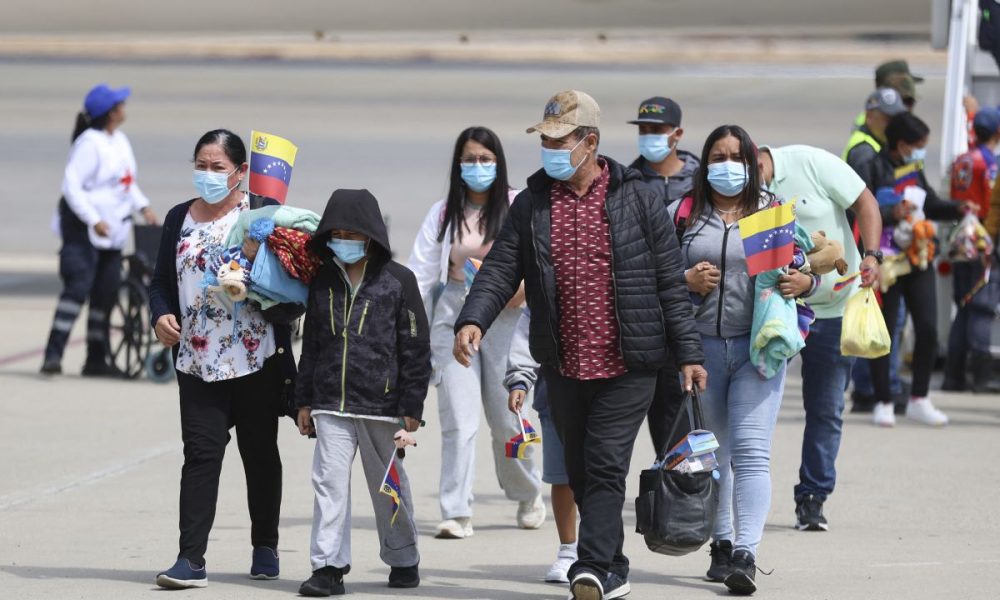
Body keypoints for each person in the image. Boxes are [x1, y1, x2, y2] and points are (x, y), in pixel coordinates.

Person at [452, 90, 707, 600]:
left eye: (558, 139)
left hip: (630, 360)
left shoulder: (637, 198)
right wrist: (473, 319)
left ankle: (590, 568)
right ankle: (612, 562)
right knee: (582, 469)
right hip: (564, 362)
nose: (548, 148)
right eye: (544, 139)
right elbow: (502, 268)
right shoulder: (531, 203)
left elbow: (667, 282)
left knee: (608, 461)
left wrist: (689, 353)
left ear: (589, 142)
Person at [148, 129, 298, 589]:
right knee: (200, 456)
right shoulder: (178, 218)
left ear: (241, 171)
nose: (208, 175)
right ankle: (190, 559)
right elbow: (158, 283)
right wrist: (160, 316)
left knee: (259, 454)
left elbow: (294, 291)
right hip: (196, 363)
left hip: (255, 361)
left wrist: (255, 281)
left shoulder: (263, 216)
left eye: (218, 167)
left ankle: (265, 545)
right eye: (201, 165)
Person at [670, 124, 811, 596]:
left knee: (752, 454)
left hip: (758, 350)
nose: (727, 165)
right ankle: (722, 544)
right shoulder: (684, 215)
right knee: (716, 456)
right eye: (718, 156)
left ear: (752, 164)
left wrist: (804, 283)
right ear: (704, 162)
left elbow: (812, 265)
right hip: (700, 352)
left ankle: (747, 554)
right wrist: (685, 279)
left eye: (737, 156)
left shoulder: (773, 212)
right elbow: (652, 274)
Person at [407, 126, 544, 539]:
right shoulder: (443, 212)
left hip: (507, 318)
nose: (478, 167)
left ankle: (527, 492)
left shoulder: (519, 204)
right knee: (459, 420)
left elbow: (541, 259)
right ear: (458, 165)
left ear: (499, 163)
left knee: (507, 419)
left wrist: (523, 291)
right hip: (454, 315)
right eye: (470, 159)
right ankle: (456, 511)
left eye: (486, 159)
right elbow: (419, 272)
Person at [294, 188, 431, 596]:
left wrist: (411, 407)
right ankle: (328, 567)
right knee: (329, 484)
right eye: (335, 233)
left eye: (351, 234)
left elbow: (416, 346)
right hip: (330, 404)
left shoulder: (399, 281)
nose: (343, 241)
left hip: (382, 406)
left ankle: (403, 557)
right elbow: (313, 344)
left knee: (388, 486)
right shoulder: (322, 280)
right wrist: (303, 400)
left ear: (370, 235)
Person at [756, 143, 882, 532]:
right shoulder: (741, 193)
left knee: (825, 408)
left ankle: (812, 496)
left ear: (758, 158)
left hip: (831, 309)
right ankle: (736, 494)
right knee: (751, 408)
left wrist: (873, 254)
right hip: (774, 313)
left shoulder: (810, 162)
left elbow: (866, 202)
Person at [41, 83, 158, 376]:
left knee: (105, 294)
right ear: (109, 112)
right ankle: (52, 356)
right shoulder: (89, 143)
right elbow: (72, 188)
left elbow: (126, 183)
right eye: (119, 104)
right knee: (77, 289)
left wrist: (143, 206)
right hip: (83, 232)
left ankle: (96, 359)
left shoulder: (119, 141)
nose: (124, 108)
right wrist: (93, 219)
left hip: (114, 231)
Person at [862, 112, 966, 426]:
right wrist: (891, 212)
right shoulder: (873, 166)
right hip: (888, 261)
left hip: (918, 256)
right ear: (902, 143)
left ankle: (919, 397)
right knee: (886, 331)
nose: (921, 151)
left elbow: (930, 202)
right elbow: (861, 210)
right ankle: (883, 400)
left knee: (929, 328)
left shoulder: (914, 168)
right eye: (918, 146)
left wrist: (957, 208)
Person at [626, 96, 697, 455]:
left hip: (700, 313)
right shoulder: (627, 182)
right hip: (650, 317)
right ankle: (671, 493)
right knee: (663, 415)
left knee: (699, 415)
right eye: (643, 130)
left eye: (657, 130)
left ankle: (702, 496)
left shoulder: (703, 179)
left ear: (677, 134)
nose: (649, 137)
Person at [843, 88, 909, 414]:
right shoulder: (865, 153)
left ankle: (873, 387)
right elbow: (861, 205)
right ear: (871, 116)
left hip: (867, 245)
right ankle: (871, 389)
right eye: (886, 118)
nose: (890, 124)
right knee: (874, 319)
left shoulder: (873, 145)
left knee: (877, 318)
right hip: (864, 246)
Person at [505, 309, 578, 584]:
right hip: (556, 393)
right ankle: (569, 550)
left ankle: (601, 552)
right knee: (562, 478)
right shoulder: (549, 275)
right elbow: (528, 327)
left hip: (608, 392)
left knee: (603, 478)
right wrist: (520, 379)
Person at [945, 108, 1000, 393]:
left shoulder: (962, 159)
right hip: (980, 239)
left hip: (959, 238)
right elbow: (993, 203)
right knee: (981, 306)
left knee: (964, 306)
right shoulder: (989, 164)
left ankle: (953, 374)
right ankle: (981, 376)